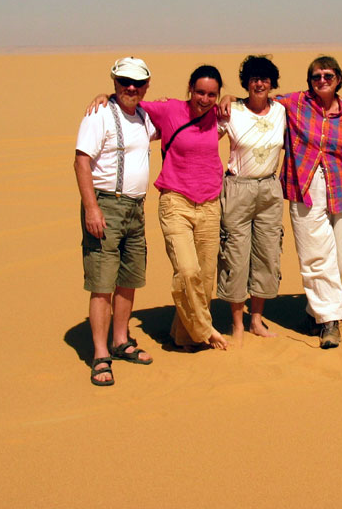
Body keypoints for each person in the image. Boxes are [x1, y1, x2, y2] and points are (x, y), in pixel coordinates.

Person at [86, 66, 229, 351]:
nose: (205, 98)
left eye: (212, 94)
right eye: (200, 91)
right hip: (176, 201)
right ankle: (205, 329)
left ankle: (185, 337)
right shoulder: (169, 110)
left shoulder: (220, 114)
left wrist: (231, 98)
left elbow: (244, 104)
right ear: (190, 88)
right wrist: (105, 95)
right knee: (187, 271)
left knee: (205, 275)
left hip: (211, 203)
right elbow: (130, 100)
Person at [74, 56, 156, 386]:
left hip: (136, 209)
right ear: (114, 83)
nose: (131, 88)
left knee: (128, 279)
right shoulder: (99, 115)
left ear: (146, 86)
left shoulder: (144, 117)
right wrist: (91, 208)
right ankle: (99, 354)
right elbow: (81, 163)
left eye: (137, 83)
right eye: (124, 82)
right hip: (106, 206)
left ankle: (121, 340)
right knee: (101, 283)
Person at [275, 56, 342, 349]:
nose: (321, 80)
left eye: (327, 75)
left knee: (334, 258)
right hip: (306, 188)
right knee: (314, 257)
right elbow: (258, 102)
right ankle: (330, 323)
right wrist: (232, 97)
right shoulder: (295, 103)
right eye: (316, 76)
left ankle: (314, 313)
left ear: (338, 78)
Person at [216, 56, 285, 344]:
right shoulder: (231, 110)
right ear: (246, 82)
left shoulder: (281, 110)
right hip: (238, 188)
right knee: (235, 253)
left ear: (272, 83)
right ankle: (237, 323)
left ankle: (256, 319)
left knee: (268, 253)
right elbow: (201, 134)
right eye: (254, 78)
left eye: (265, 79)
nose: (260, 83)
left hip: (270, 188)